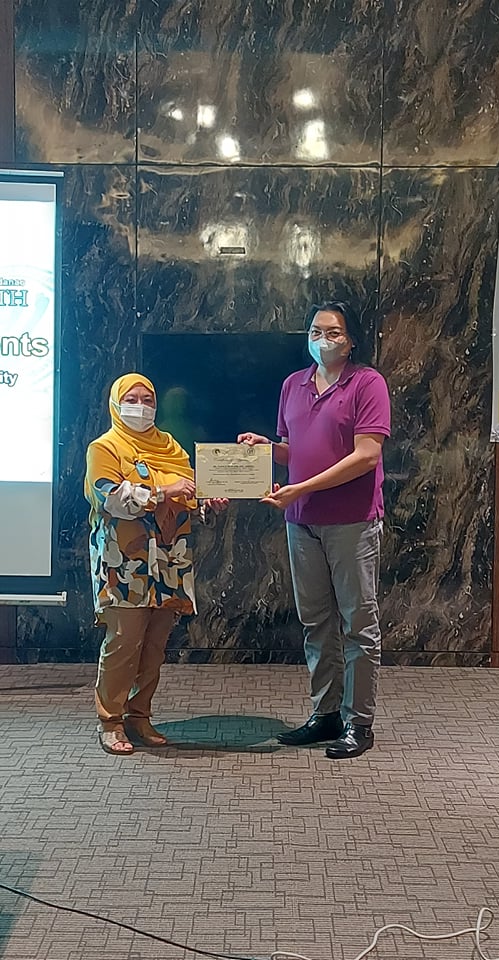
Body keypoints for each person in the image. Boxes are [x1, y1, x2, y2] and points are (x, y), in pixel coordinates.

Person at [238, 302, 390, 760]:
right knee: (316, 622)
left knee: (358, 623)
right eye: (315, 331)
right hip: (301, 521)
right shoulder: (293, 385)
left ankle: (358, 722)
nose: (323, 340)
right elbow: (295, 449)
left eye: (333, 332)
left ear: (352, 339)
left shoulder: (367, 383)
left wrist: (301, 487)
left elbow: (366, 455)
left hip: (352, 520)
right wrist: (268, 449)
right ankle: (326, 714)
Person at [85, 373, 227, 756]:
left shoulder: (170, 447)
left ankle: (139, 716)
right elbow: (109, 497)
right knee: (123, 643)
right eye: (131, 399)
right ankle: (110, 720)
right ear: (116, 404)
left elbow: (189, 498)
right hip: (124, 565)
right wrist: (163, 491)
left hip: (168, 563)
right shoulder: (105, 447)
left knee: (154, 646)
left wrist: (207, 503)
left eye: (147, 400)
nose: (140, 407)